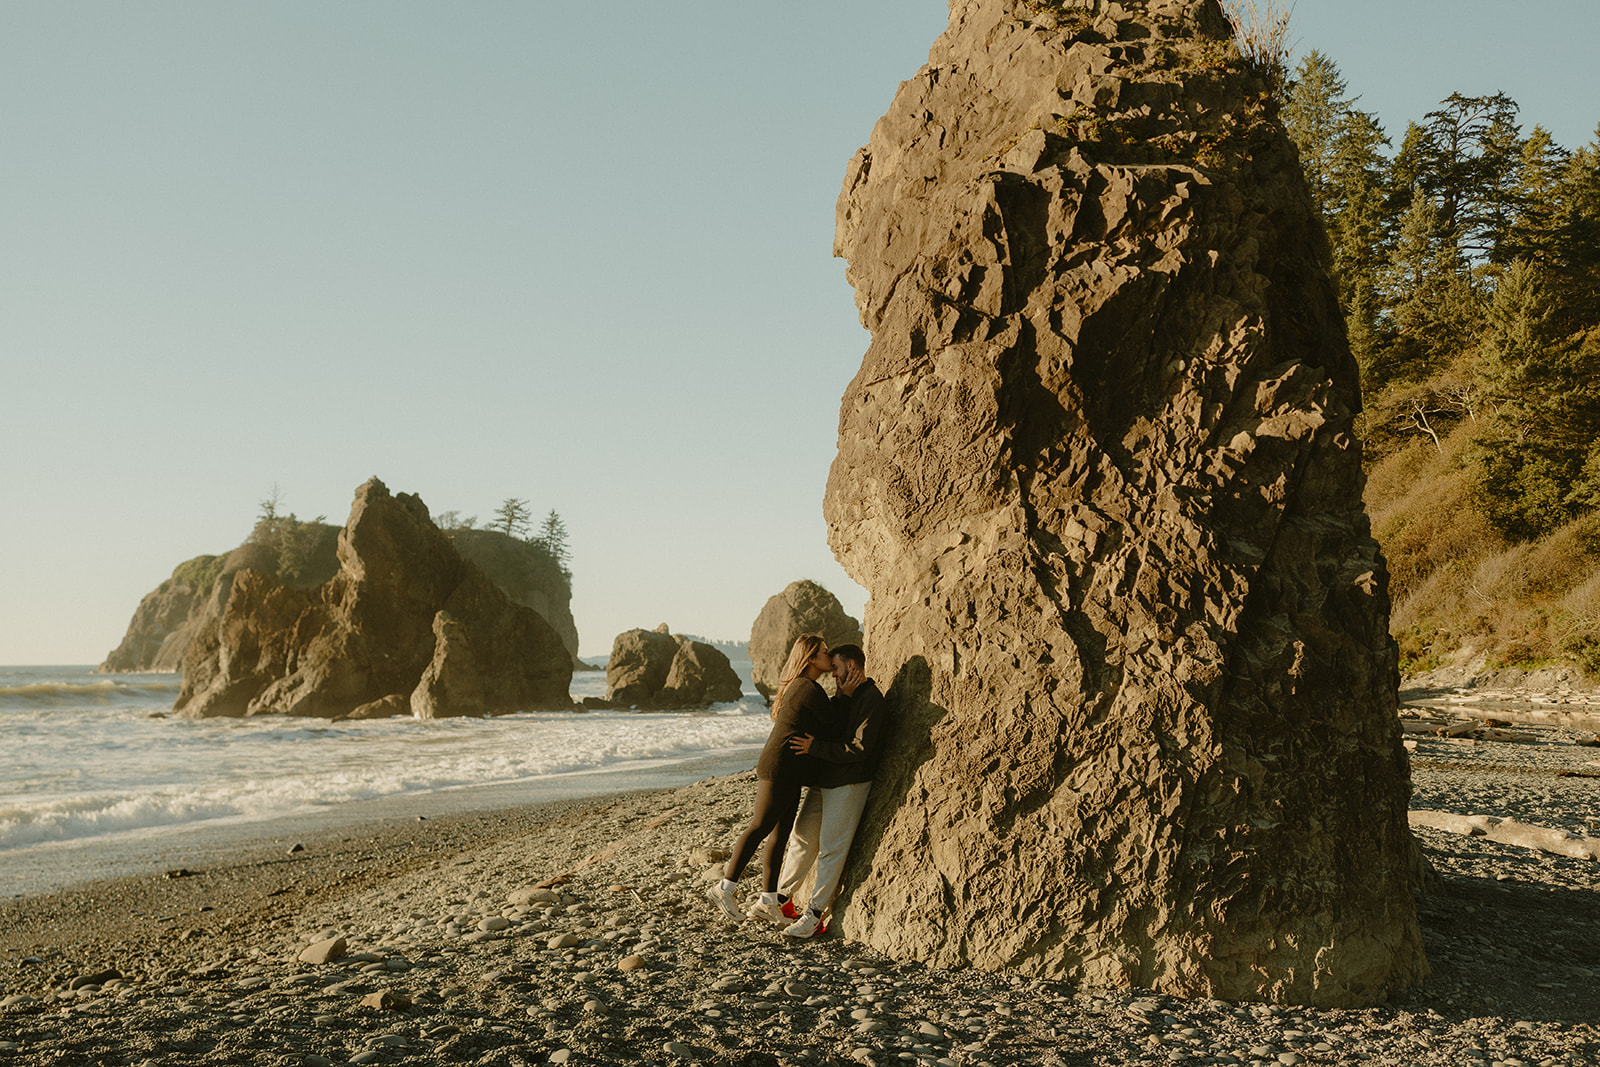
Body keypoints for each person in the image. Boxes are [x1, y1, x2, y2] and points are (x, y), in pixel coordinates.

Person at [705, 633, 833, 923]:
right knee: (760, 826)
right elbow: (834, 725)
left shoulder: (802, 686)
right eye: (824, 651)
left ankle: (767, 901)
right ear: (811, 657)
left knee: (780, 835)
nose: (829, 655)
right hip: (779, 767)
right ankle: (724, 888)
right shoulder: (807, 688)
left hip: (789, 768)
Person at [766, 642, 886, 938]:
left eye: (835, 668)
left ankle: (815, 915)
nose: (832, 674)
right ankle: (781, 898)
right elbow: (831, 726)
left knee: (832, 848)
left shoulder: (872, 699)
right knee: (801, 838)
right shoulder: (843, 695)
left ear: (852, 667)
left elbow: (860, 749)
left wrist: (814, 748)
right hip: (826, 777)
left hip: (850, 782)